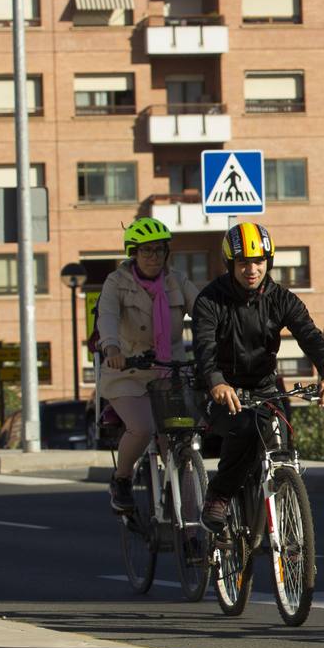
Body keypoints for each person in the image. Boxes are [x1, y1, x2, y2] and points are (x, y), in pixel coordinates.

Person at [191, 223, 324, 531]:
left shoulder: (281, 299)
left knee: (282, 442)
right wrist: (217, 382)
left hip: (264, 388)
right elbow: (204, 347)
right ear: (231, 263)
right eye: (243, 262)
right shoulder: (210, 300)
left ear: (268, 262)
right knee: (245, 430)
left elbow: (309, 335)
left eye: (259, 261)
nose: (252, 269)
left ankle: (286, 524)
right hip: (221, 390)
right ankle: (219, 495)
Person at [96, 218, 200, 516]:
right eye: (146, 251)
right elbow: (107, 316)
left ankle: (185, 517)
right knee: (142, 429)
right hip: (128, 371)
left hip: (171, 371)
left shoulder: (177, 281)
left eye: (159, 250)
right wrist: (112, 348)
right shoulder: (116, 282)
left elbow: (206, 312)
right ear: (133, 253)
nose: (153, 257)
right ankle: (122, 480)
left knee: (180, 439)